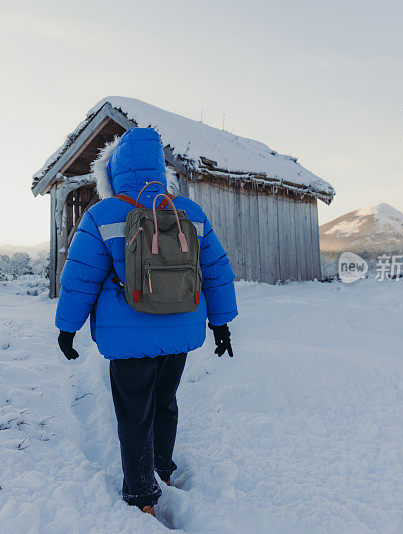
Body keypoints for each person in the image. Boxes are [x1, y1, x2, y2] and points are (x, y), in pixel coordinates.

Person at [55, 127, 238, 517]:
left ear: (114, 170)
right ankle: (163, 470)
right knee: (165, 402)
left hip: (128, 336)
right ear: (160, 168)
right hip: (180, 329)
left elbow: (79, 277)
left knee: (134, 410)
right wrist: (220, 324)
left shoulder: (102, 215)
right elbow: (217, 270)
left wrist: (67, 328)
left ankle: (141, 497)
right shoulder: (188, 212)